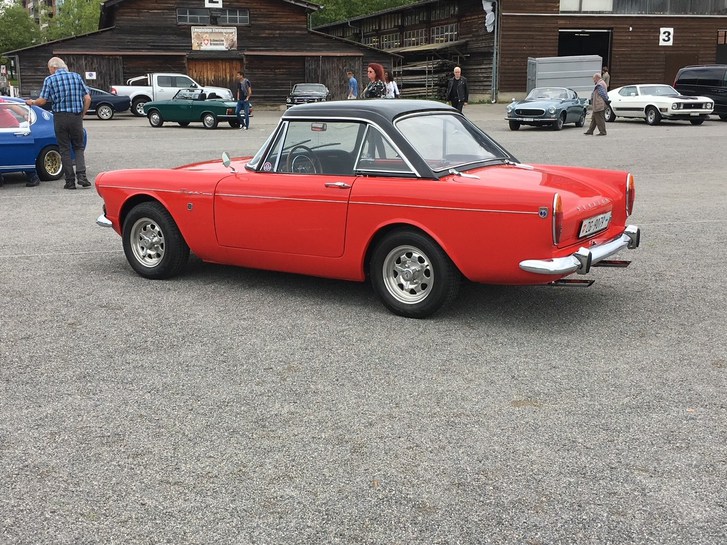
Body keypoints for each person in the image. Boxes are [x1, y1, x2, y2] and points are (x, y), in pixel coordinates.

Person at [26, 57, 91, 189]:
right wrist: (82, 114)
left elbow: (43, 101)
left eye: (49, 69)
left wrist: (32, 102)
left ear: (53, 68)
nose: (49, 71)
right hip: (76, 116)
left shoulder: (50, 80)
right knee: (78, 147)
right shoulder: (76, 77)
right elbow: (87, 97)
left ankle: (70, 181)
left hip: (60, 117)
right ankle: (82, 176)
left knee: (64, 148)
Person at [0, 99, 42, 187]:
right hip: (3, 129)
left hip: (11, 126)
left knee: (15, 153)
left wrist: (25, 115)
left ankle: (33, 176)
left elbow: (12, 106)